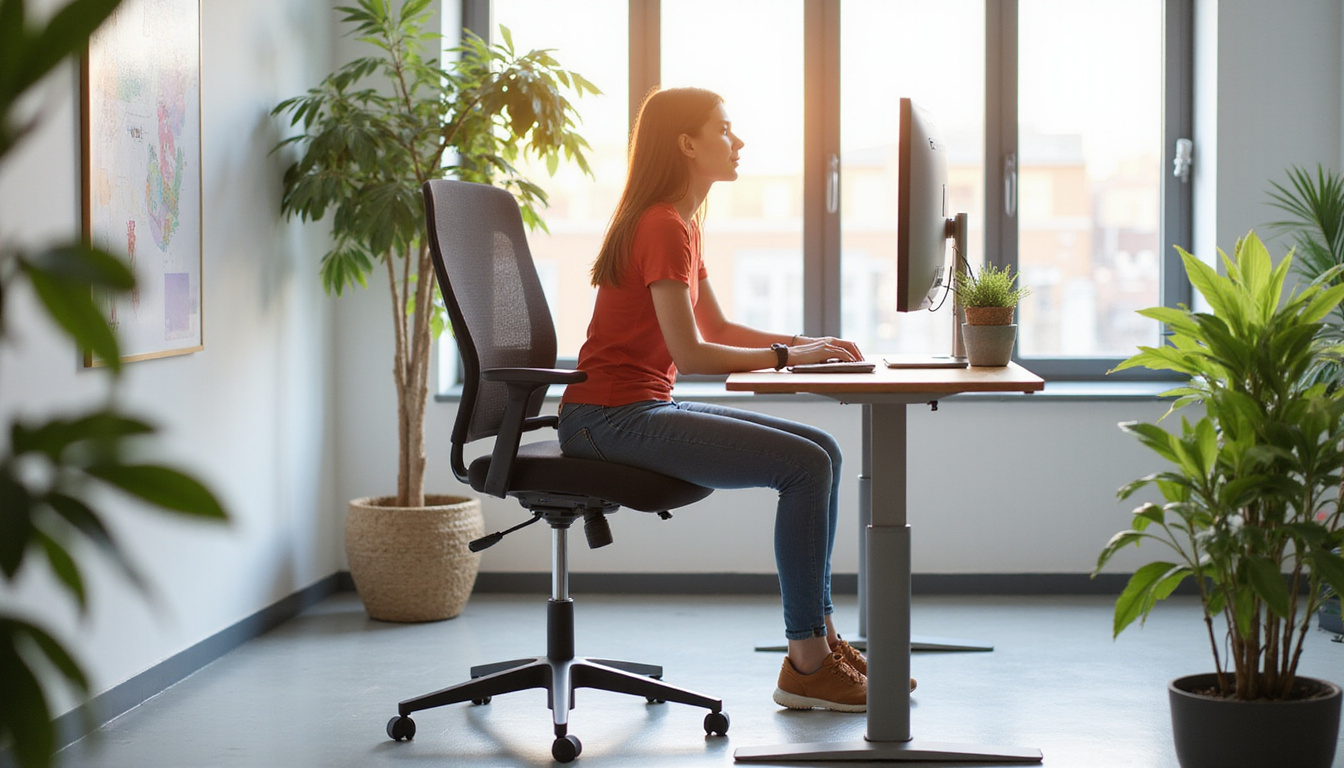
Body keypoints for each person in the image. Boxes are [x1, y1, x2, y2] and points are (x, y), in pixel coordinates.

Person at [558, 86, 899, 713]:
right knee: (805, 466)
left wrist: (802, 342)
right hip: (604, 421)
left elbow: (715, 330)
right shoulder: (660, 224)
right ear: (687, 144)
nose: (736, 141)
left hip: (632, 411)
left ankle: (822, 641)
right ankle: (806, 661)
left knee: (821, 449)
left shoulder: (681, 225)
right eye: (723, 129)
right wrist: (789, 359)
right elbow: (691, 356)